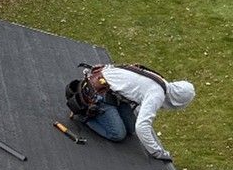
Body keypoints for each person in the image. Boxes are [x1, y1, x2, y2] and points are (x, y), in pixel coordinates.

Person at [65, 62, 195, 161]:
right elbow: (142, 126)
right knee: (118, 133)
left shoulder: (161, 82)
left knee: (130, 128)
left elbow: (138, 99)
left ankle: (107, 112)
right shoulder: (157, 94)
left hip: (109, 89)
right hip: (98, 93)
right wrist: (158, 152)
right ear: (178, 101)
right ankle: (85, 117)